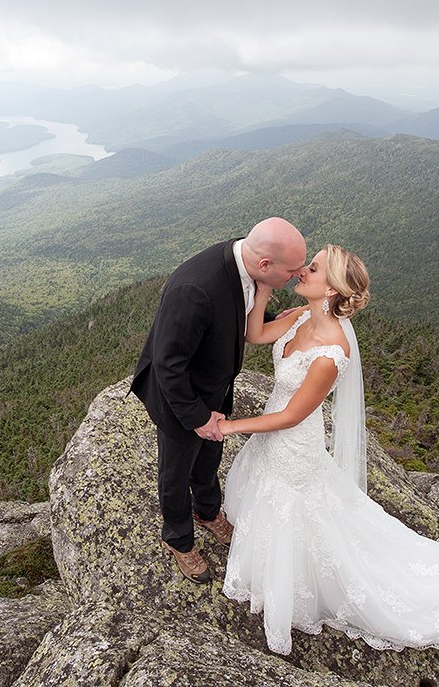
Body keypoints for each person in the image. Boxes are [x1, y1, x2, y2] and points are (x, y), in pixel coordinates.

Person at [219, 244, 439, 654]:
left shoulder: (332, 352)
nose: (303, 271)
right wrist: (265, 291)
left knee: (298, 510)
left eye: (314, 268)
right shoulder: (303, 316)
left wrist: (231, 426)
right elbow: (255, 334)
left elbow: (292, 416)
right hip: (274, 438)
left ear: (331, 290)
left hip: (293, 442)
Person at [131, 218, 307, 583]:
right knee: (175, 472)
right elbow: (168, 365)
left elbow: (230, 315)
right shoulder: (196, 287)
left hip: (214, 386)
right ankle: (178, 539)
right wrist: (197, 416)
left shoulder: (243, 264)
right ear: (265, 266)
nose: (297, 276)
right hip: (178, 396)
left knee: (209, 454)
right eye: (291, 272)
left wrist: (274, 317)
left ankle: (208, 512)